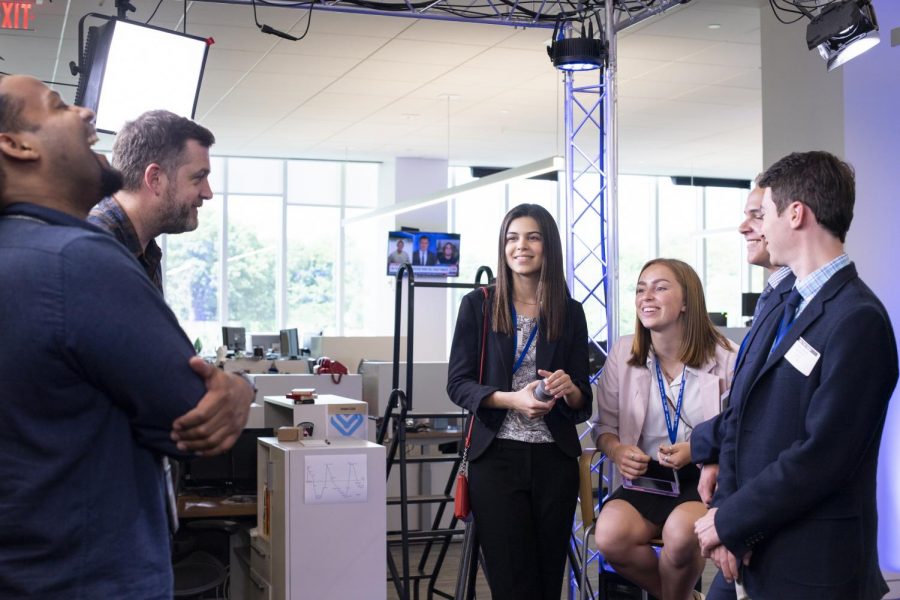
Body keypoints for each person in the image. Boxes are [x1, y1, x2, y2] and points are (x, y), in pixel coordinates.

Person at [0, 74, 253, 597]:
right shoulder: (80, 260)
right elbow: (188, 416)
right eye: (56, 105)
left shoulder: (28, 251)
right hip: (89, 573)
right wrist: (233, 391)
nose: (87, 113)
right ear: (15, 144)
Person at [694, 151, 898, 600]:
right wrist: (731, 514)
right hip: (753, 545)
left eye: (763, 214)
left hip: (812, 563)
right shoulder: (785, 303)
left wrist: (730, 521)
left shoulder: (858, 319)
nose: (758, 227)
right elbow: (742, 414)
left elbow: (822, 456)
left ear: (796, 214)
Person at [447, 203, 592, 600]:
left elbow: (584, 398)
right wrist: (512, 399)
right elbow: (458, 384)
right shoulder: (479, 305)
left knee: (548, 581)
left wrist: (568, 387)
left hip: (555, 460)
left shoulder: (570, 312)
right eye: (512, 238)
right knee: (512, 582)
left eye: (532, 237)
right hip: (497, 458)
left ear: (549, 246)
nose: (521, 246)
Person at [589, 258, 737, 600]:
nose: (646, 297)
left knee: (682, 533)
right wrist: (618, 451)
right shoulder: (624, 352)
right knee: (609, 535)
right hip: (647, 477)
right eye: (641, 289)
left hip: (702, 476)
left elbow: (740, 428)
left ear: (687, 301)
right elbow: (604, 427)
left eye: (660, 288)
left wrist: (698, 451)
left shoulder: (727, 357)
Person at [690, 185, 794, 506]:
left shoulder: (799, 302)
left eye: (757, 215)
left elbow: (767, 410)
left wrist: (703, 443)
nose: (743, 226)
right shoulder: (775, 295)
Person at [88, 109, 214, 289]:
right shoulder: (95, 251)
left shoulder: (145, 251)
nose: (208, 193)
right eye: (198, 177)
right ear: (155, 179)